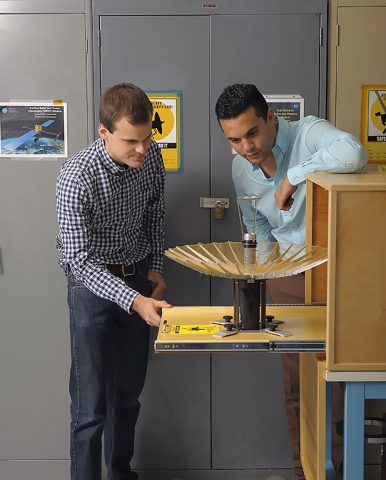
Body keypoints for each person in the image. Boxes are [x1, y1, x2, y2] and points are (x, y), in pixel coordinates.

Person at [215, 83, 367, 480]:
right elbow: (258, 226)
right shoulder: (239, 168)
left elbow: (354, 152)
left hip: (334, 275)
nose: (246, 147)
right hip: (285, 277)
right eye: (234, 140)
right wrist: (261, 279)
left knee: (336, 383)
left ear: (270, 117)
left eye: (252, 133)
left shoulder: (307, 133)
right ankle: (304, 471)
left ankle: (341, 471)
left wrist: (294, 177)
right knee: (296, 388)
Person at [56, 83, 172, 480]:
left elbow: (156, 209)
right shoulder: (76, 176)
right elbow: (78, 260)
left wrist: (155, 266)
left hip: (138, 276)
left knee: (127, 401)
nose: (143, 149)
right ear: (104, 132)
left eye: (147, 138)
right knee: (89, 410)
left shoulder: (150, 154)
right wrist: (135, 301)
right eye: (131, 141)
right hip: (90, 290)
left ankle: (121, 475)